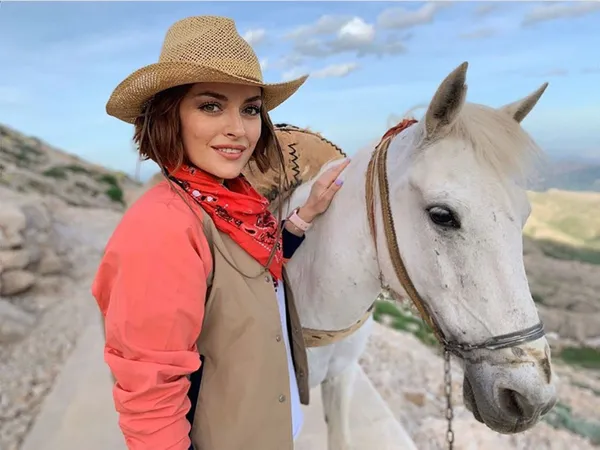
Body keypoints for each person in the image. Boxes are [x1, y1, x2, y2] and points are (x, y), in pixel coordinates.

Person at [91, 15, 350, 450]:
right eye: (211, 106)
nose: (239, 129)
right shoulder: (163, 227)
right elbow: (150, 399)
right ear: (168, 116)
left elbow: (251, 270)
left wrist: (305, 215)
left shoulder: (229, 201)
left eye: (250, 109)